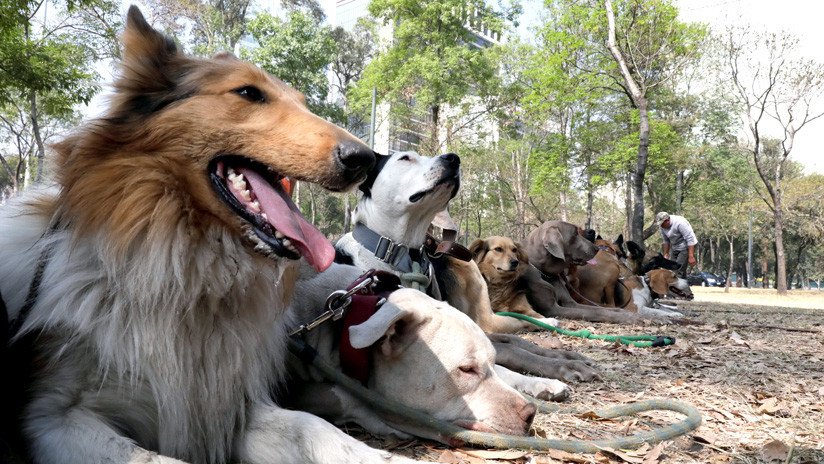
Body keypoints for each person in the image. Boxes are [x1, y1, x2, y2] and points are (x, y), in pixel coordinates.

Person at [655, 211, 697, 279]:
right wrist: (666, 254)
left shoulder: (680, 223)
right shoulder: (662, 226)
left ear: (667, 220)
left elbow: (690, 239)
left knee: (678, 272)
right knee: (672, 269)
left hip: (686, 247)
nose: (661, 226)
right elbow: (666, 240)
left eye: (662, 224)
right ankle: (684, 288)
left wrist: (691, 256)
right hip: (675, 247)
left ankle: (675, 288)